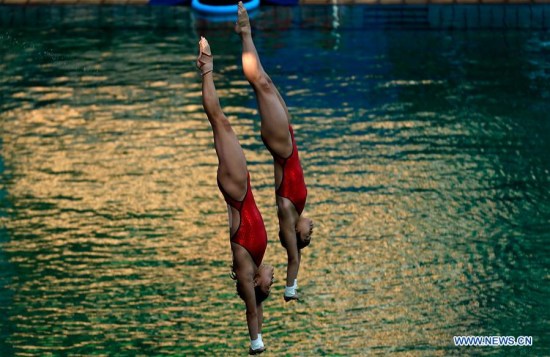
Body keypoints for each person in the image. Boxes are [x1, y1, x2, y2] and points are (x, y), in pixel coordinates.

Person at [197, 36, 274, 355]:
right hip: (243, 187)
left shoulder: (246, 272)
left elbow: (253, 310)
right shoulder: (255, 261)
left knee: (220, 121)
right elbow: (259, 304)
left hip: (237, 193)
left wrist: (257, 343)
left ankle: (206, 69)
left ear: (258, 284)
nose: (273, 276)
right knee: (222, 125)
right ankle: (206, 69)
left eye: (271, 281)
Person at [235, 2, 314, 302]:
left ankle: (244, 31)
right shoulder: (297, 209)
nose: (311, 230)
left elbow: (293, 260)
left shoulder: (288, 213)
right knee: (264, 79)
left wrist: (290, 289)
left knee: (259, 82)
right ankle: (244, 33)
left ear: (296, 235)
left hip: (281, 145)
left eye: (307, 236)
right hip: (287, 137)